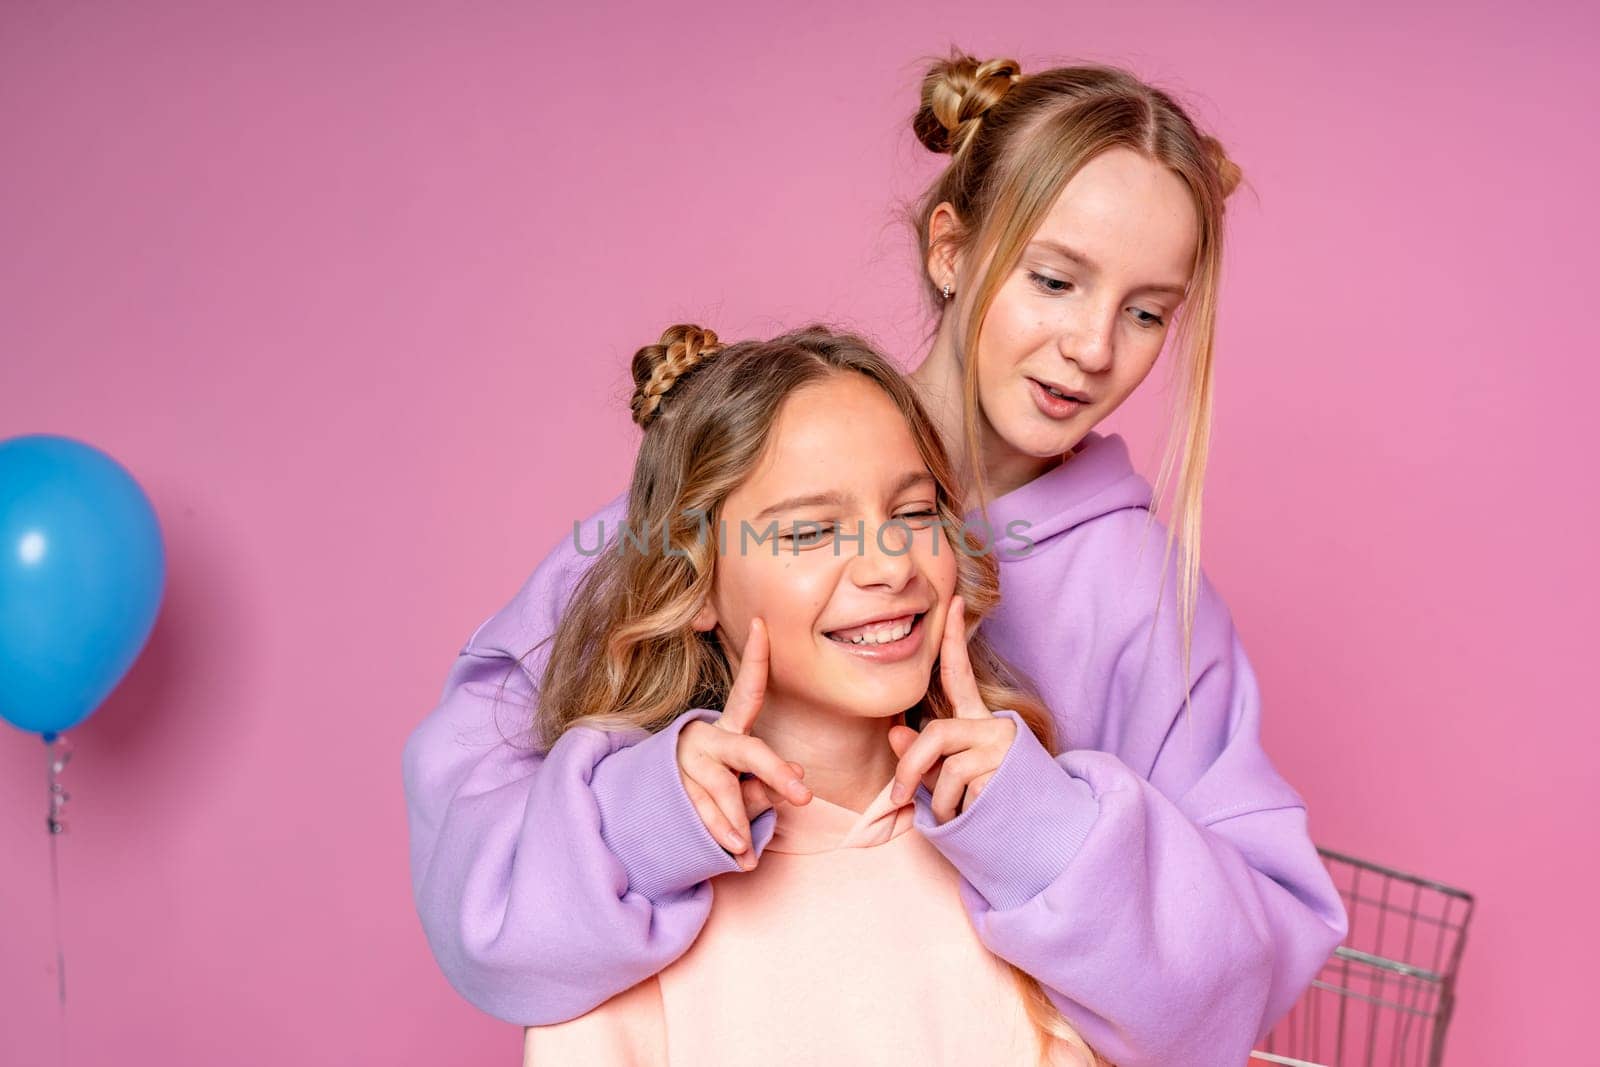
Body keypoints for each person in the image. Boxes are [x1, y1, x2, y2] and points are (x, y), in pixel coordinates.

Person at [403, 50, 1349, 1067]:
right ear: (951, 249)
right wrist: (648, 816)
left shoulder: (1143, 600)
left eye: (1146, 309)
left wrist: (1043, 830)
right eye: (1054, 278)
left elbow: (1241, 974)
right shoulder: (737, 483)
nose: (1091, 344)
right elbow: (479, 869)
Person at [517, 323, 1106, 1066]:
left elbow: (1199, 1013)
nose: (889, 567)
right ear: (693, 581)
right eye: (808, 533)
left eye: (915, 512)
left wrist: (1042, 836)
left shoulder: (1045, 842)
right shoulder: (614, 920)